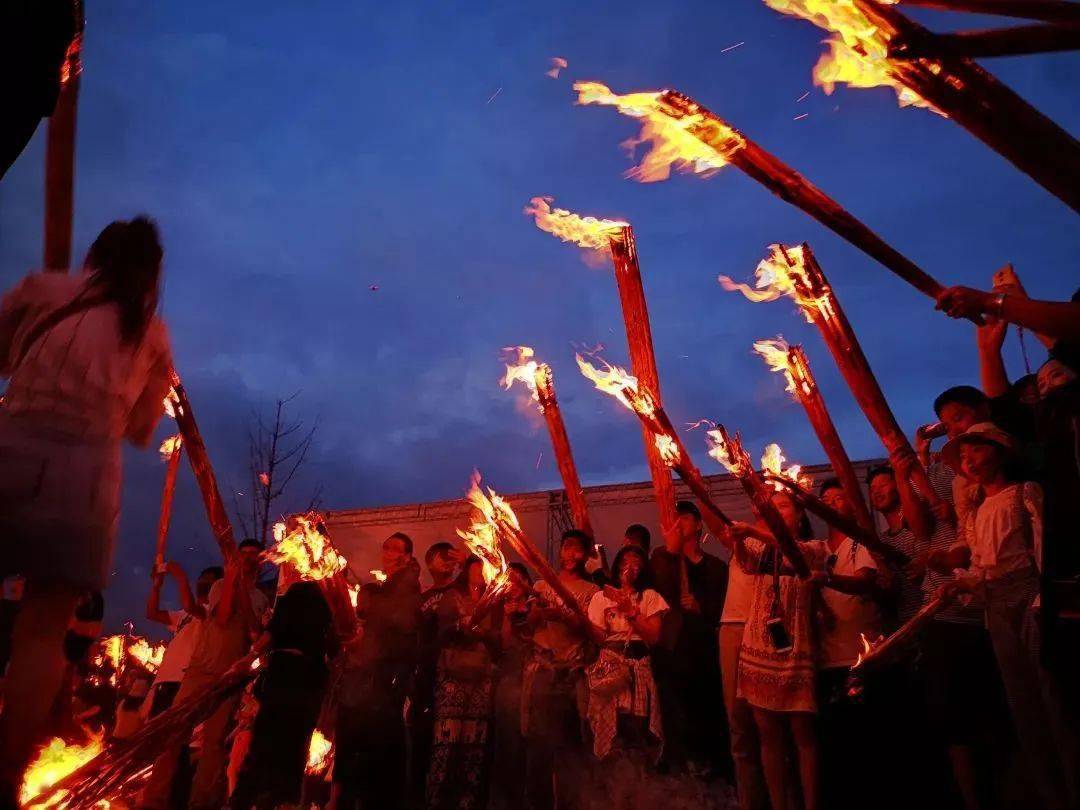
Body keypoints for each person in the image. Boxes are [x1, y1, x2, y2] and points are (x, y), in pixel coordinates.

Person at [0, 218, 173, 803]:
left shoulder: (46, 290)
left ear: (96, 254)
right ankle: (4, 776)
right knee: (43, 634)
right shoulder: (151, 334)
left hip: (12, 442)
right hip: (87, 477)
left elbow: (2, 355)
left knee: (43, 629)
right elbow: (142, 428)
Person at [940, 423, 1079, 810]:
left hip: (1032, 603)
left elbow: (1044, 553)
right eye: (963, 457)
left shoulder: (1024, 494)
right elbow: (982, 565)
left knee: (1053, 699)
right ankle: (1051, 795)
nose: (968, 461)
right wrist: (960, 582)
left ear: (999, 452)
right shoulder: (978, 509)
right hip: (997, 610)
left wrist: (1041, 603)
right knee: (1023, 704)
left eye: (976, 452)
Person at [140, 539, 270, 810]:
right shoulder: (220, 586)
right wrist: (231, 581)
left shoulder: (260, 598)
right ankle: (154, 801)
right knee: (175, 733)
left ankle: (202, 803)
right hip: (200, 670)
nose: (247, 558)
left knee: (214, 742)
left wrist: (243, 593)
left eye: (252, 555)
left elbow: (254, 633)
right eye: (243, 554)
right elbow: (222, 619)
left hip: (230, 675)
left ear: (259, 561)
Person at [728, 491, 825, 810]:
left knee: (804, 737)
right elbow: (744, 561)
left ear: (800, 515)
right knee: (768, 736)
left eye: (783, 505)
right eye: (773, 505)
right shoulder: (761, 548)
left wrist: (752, 530)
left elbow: (793, 551)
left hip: (795, 650)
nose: (776, 509)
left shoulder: (813, 548)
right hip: (759, 648)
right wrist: (739, 539)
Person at [228, 580, 338, 809]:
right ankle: (279, 802)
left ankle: (246, 801)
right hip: (306, 681)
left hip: (286, 676)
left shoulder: (294, 607)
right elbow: (334, 651)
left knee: (264, 746)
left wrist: (249, 658)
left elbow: (271, 634)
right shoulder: (325, 613)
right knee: (293, 750)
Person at [332, 532, 420, 810]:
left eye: (396, 549)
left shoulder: (406, 583)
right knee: (360, 745)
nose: (389, 552)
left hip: (387, 678)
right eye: (386, 547)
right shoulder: (384, 586)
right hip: (366, 678)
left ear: (407, 557)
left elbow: (401, 622)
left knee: (382, 746)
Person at [813, 479, 886, 809]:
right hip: (826, 659)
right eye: (825, 499)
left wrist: (828, 579)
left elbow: (865, 583)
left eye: (839, 498)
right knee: (835, 742)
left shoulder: (861, 544)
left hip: (860, 658)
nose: (832, 503)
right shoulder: (818, 550)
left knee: (866, 741)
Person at [649, 501, 728, 777]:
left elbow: (725, 608)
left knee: (705, 709)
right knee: (672, 710)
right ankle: (676, 772)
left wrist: (701, 607)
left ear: (698, 525)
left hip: (704, 650)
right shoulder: (661, 558)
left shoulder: (716, 567)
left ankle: (709, 768)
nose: (679, 523)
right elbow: (656, 589)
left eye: (685, 518)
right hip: (671, 650)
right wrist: (672, 550)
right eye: (675, 519)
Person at [522, 530, 598, 810]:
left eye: (578, 549)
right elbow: (528, 626)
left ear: (587, 554)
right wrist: (537, 612)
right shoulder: (541, 586)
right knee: (538, 748)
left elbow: (590, 630)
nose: (571, 554)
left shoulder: (592, 592)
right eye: (567, 547)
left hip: (572, 675)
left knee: (570, 749)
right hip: (543, 673)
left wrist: (564, 615)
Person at [585, 545, 667, 800]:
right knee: (611, 740)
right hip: (609, 670)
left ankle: (640, 796)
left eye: (636, 562)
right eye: (625, 561)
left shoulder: (650, 597)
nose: (629, 567)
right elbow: (599, 637)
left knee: (637, 734)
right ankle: (610, 797)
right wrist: (579, 619)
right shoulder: (601, 598)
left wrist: (631, 610)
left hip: (637, 669)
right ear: (617, 565)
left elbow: (653, 637)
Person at [426, 556, 500, 810]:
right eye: (477, 567)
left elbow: (499, 640)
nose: (481, 572)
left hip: (481, 680)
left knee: (474, 747)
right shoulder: (452, 596)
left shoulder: (494, 600)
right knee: (447, 744)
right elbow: (441, 633)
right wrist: (461, 625)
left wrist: (484, 633)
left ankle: (466, 803)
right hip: (453, 678)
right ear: (467, 571)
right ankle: (437, 801)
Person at [144, 563, 224, 718]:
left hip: (183, 680)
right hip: (165, 679)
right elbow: (151, 613)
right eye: (201, 578)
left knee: (171, 735)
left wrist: (180, 576)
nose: (201, 582)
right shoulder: (182, 615)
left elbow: (189, 606)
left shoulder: (210, 613)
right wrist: (156, 586)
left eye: (208, 580)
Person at [490, 563, 533, 810]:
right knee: (507, 744)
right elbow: (503, 646)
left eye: (518, 579)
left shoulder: (538, 603)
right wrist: (507, 615)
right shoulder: (498, 607)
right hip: (509, 681)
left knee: (530, 745)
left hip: (535, 683)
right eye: (509, 580)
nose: (514, 584)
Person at [867, 464, 932, 626]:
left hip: (934, 615)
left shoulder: (917, 524)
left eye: (883, 485)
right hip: (906, 621)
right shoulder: (882, 541)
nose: (876, 491)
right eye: (872, 488)